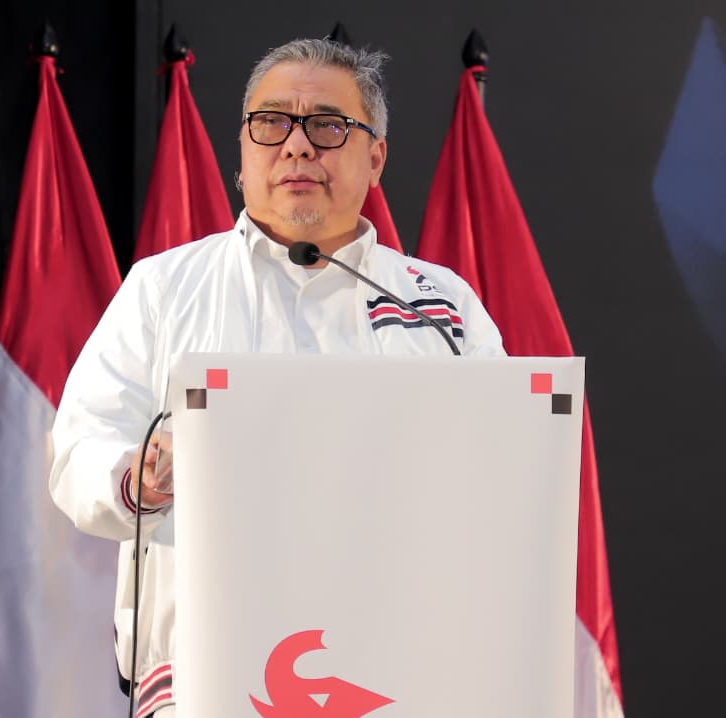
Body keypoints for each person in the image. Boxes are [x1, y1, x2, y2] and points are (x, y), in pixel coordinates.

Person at [49, 37, 505, 717]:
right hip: (204, 679)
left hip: (401, 673)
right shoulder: (165, 289)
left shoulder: (441, 308)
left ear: (375, 158)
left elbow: (503, 471)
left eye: (327, 126)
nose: (296, 147)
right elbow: (78, 452)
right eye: (271, 124)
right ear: (242, 153)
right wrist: (137, 475)